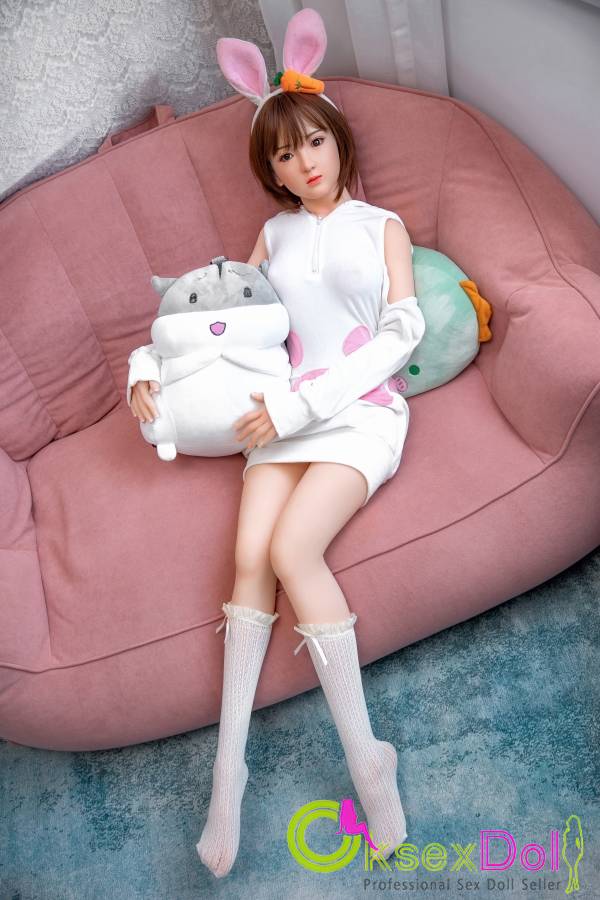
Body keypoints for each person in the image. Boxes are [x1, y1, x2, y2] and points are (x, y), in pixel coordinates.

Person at [130, 8, 426, 879]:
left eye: (313, 144)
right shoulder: (272, 236)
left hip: (357, 410)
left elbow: (401, 333)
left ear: (337, 138)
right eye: (284, 156)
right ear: (272, 170)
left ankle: (369, 760)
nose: (304, 165)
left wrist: (305, 407)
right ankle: (229, 776)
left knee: (295, 549)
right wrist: (145, 368)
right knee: (248, 558)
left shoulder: (383, 226)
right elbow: (221, 324)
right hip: (276, 414)